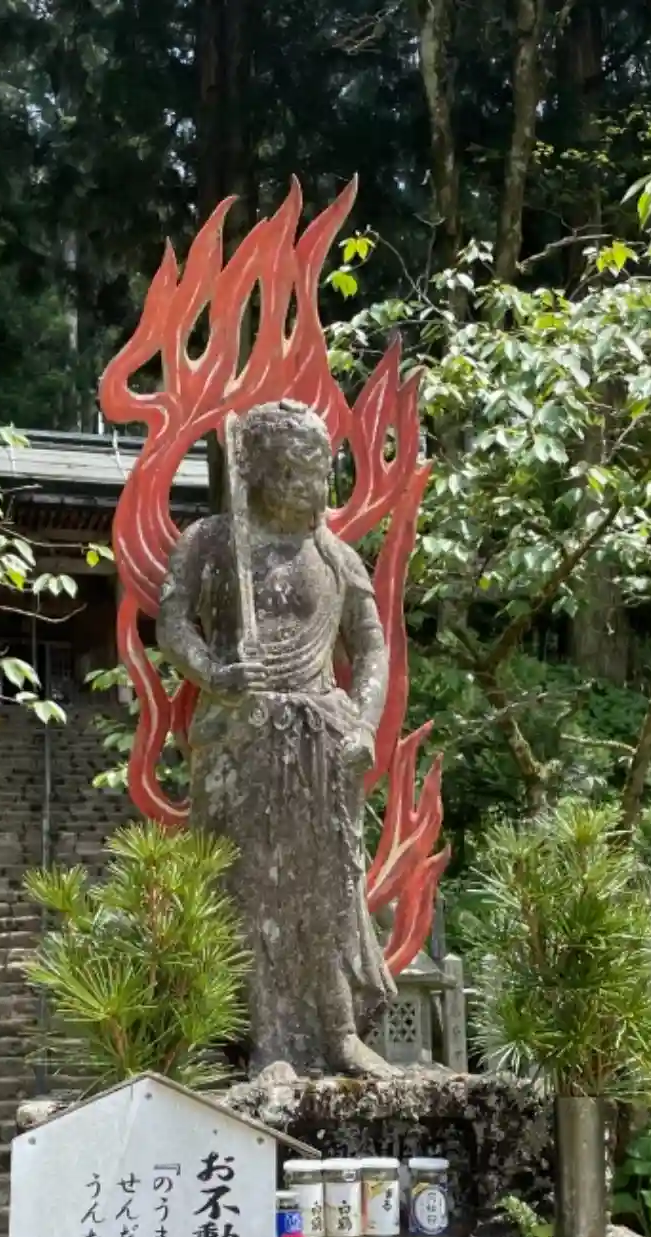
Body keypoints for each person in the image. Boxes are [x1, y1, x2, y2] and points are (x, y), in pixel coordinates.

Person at [157, 398, 395, 1076]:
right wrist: (215, 672)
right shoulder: (211, 542)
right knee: (248, 887)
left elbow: (371, 648)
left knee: (328, 888)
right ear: (254, 470)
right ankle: (264, 1041)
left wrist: (364, 723)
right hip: (242, 736)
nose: (304, 486)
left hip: (322, 741)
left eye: (316, 472)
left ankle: (338, 1032)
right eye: (288, 470)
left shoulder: (336, 558)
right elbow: (173, 625)